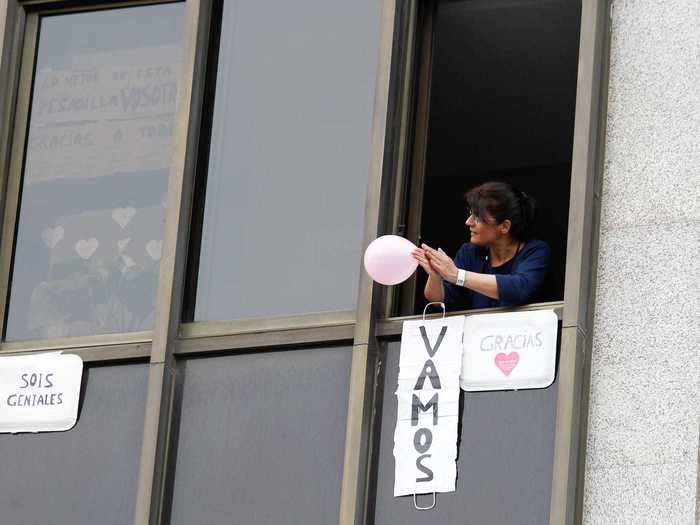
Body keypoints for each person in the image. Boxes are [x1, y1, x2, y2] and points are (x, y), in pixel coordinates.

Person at [412, 181, 550, 311]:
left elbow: (521, 288)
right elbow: (440, 301)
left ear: (504, 226)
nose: (468, 222)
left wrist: (457, 275)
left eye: (477, 217)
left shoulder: (535, 251)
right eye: (470, 214)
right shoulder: (469, 252)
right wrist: (435, 276)